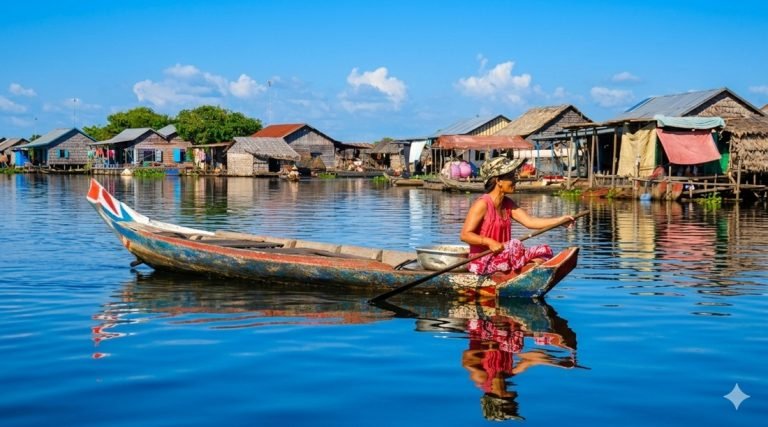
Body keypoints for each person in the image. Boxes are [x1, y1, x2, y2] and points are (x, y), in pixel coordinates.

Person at [460, 157, 574, 275]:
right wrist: (489, 242)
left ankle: (527, 269)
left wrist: (560, 220)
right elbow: (465, 235)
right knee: (515, 245)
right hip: (483, 261)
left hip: (504, 256)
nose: (515, 181)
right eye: (511, 178)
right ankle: (523, 268)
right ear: (498, 181)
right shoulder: (482, 204)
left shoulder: (507, 203)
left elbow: (530, 222)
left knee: (544, 250)